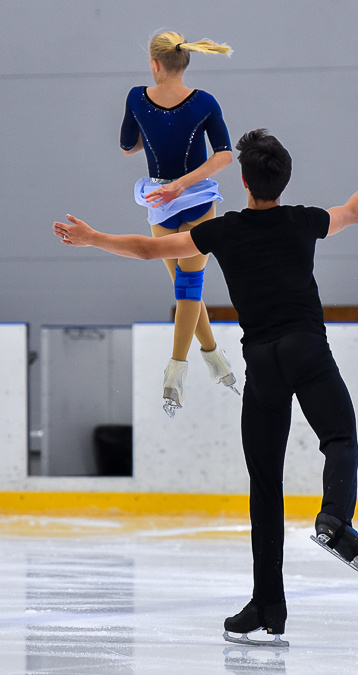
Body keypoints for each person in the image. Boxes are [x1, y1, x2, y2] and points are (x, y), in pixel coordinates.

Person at [54, 129, 358, 646]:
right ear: (284, 180)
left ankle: (268, 606)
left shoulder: (224, 231)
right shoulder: (304, 220)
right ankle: (335, 519)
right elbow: (355, 212)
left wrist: (93, 238)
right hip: (307, 351)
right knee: (340, 441)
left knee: (264, 488)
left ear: (245, 182)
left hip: (263, 363)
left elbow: (147, 248)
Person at [119, 30, 238, 417]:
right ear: (183, 61)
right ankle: (213, 357)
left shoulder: (137, 97)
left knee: (187, 287)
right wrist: (185, 183)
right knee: (187, 288)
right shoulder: (204, 101)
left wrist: (172, 181)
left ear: (155, 64)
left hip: (160, 199)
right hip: (197, 197)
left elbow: (127, 146)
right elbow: (224, 155)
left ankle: (175, 371)